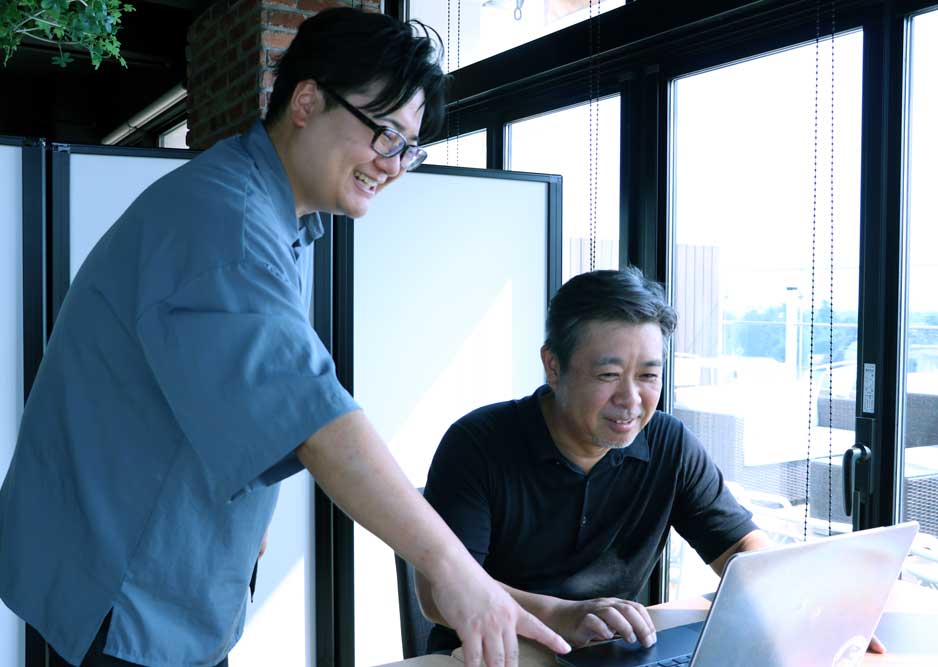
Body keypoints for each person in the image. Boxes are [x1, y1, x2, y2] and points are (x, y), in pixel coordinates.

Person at [0, 8, 569, 667]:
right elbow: (315, 416)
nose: (393, 165)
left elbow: (245, 393)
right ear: (306, 101)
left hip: (169, 567)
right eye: (385, 134)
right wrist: (453, 569)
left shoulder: (273, 214)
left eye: (408, 148)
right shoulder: (230, 222)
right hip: (125, 582)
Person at [417, 267, 775, 652]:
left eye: (648, 376)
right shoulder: (477, 444)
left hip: (608, 655)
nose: (631, 399)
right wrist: (559, 614)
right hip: (489, 655)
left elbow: (743, 551)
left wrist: (785, 594)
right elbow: (439, 594)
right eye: (608, 374)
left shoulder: (668, 443)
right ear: (554, 367)